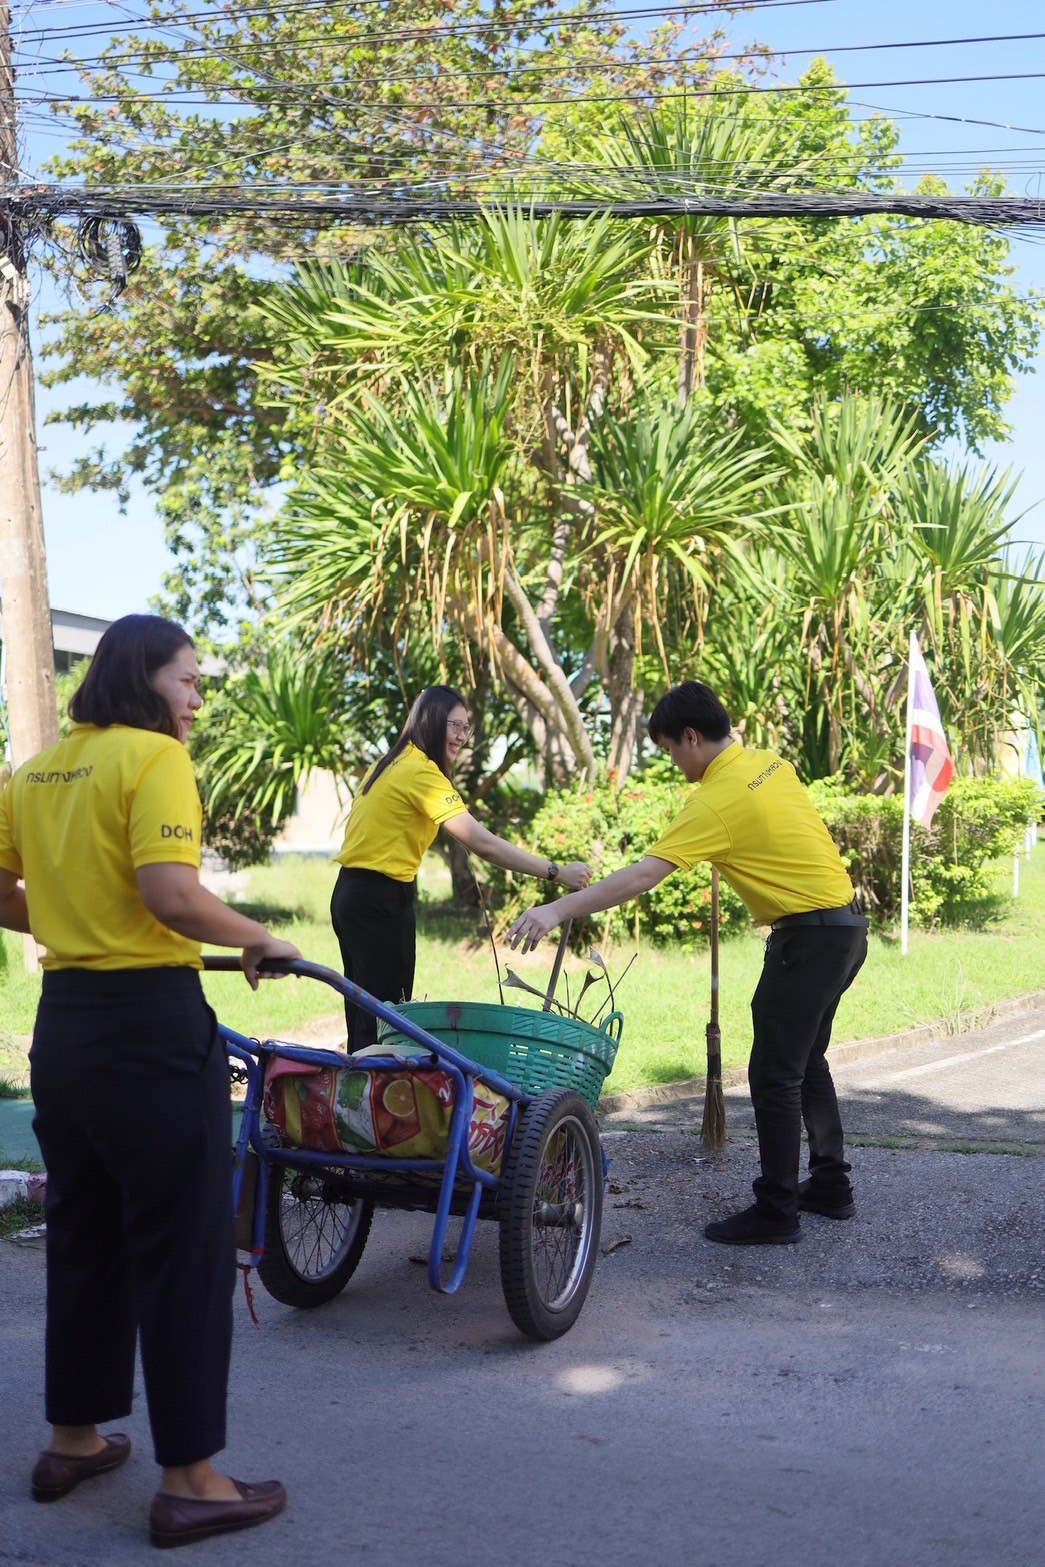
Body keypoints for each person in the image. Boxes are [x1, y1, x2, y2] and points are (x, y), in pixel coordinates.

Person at [0, 614, 301, 1548]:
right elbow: (171, 894)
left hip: (65, 1033)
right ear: (144, 678)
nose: (197, 699)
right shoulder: (153, 757)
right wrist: (260, 936)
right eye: (187, 679)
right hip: (148, 1032)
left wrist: (72, 916)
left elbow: (2, 892)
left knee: (86, 1234)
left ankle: (73, 1438)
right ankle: (192, 1480)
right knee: (184, 1248)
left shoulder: (35, 773)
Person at [506, 680, 869, 1247]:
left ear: (692, 737)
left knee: (774, 1076)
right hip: (847, 931)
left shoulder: (713, 802)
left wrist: (556, 910)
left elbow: (642, 877)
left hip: (807, 942)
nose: (674, 763)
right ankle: (830, 1186)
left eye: (671, 749)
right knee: (805, 1062)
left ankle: (777, 1211)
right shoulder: (769, 764)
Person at [331, 685, 591, 1048]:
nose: (461, 737)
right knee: (385, 1022)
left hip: (351, 894)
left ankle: (359, 1082)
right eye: (455, 726)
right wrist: (555, 871)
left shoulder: (388, 763)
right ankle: (374, 1084)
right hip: (379, 900)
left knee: (365, 1016)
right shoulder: (420, 772)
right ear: (432, 721)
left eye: (466, 728)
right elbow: (482, 842)